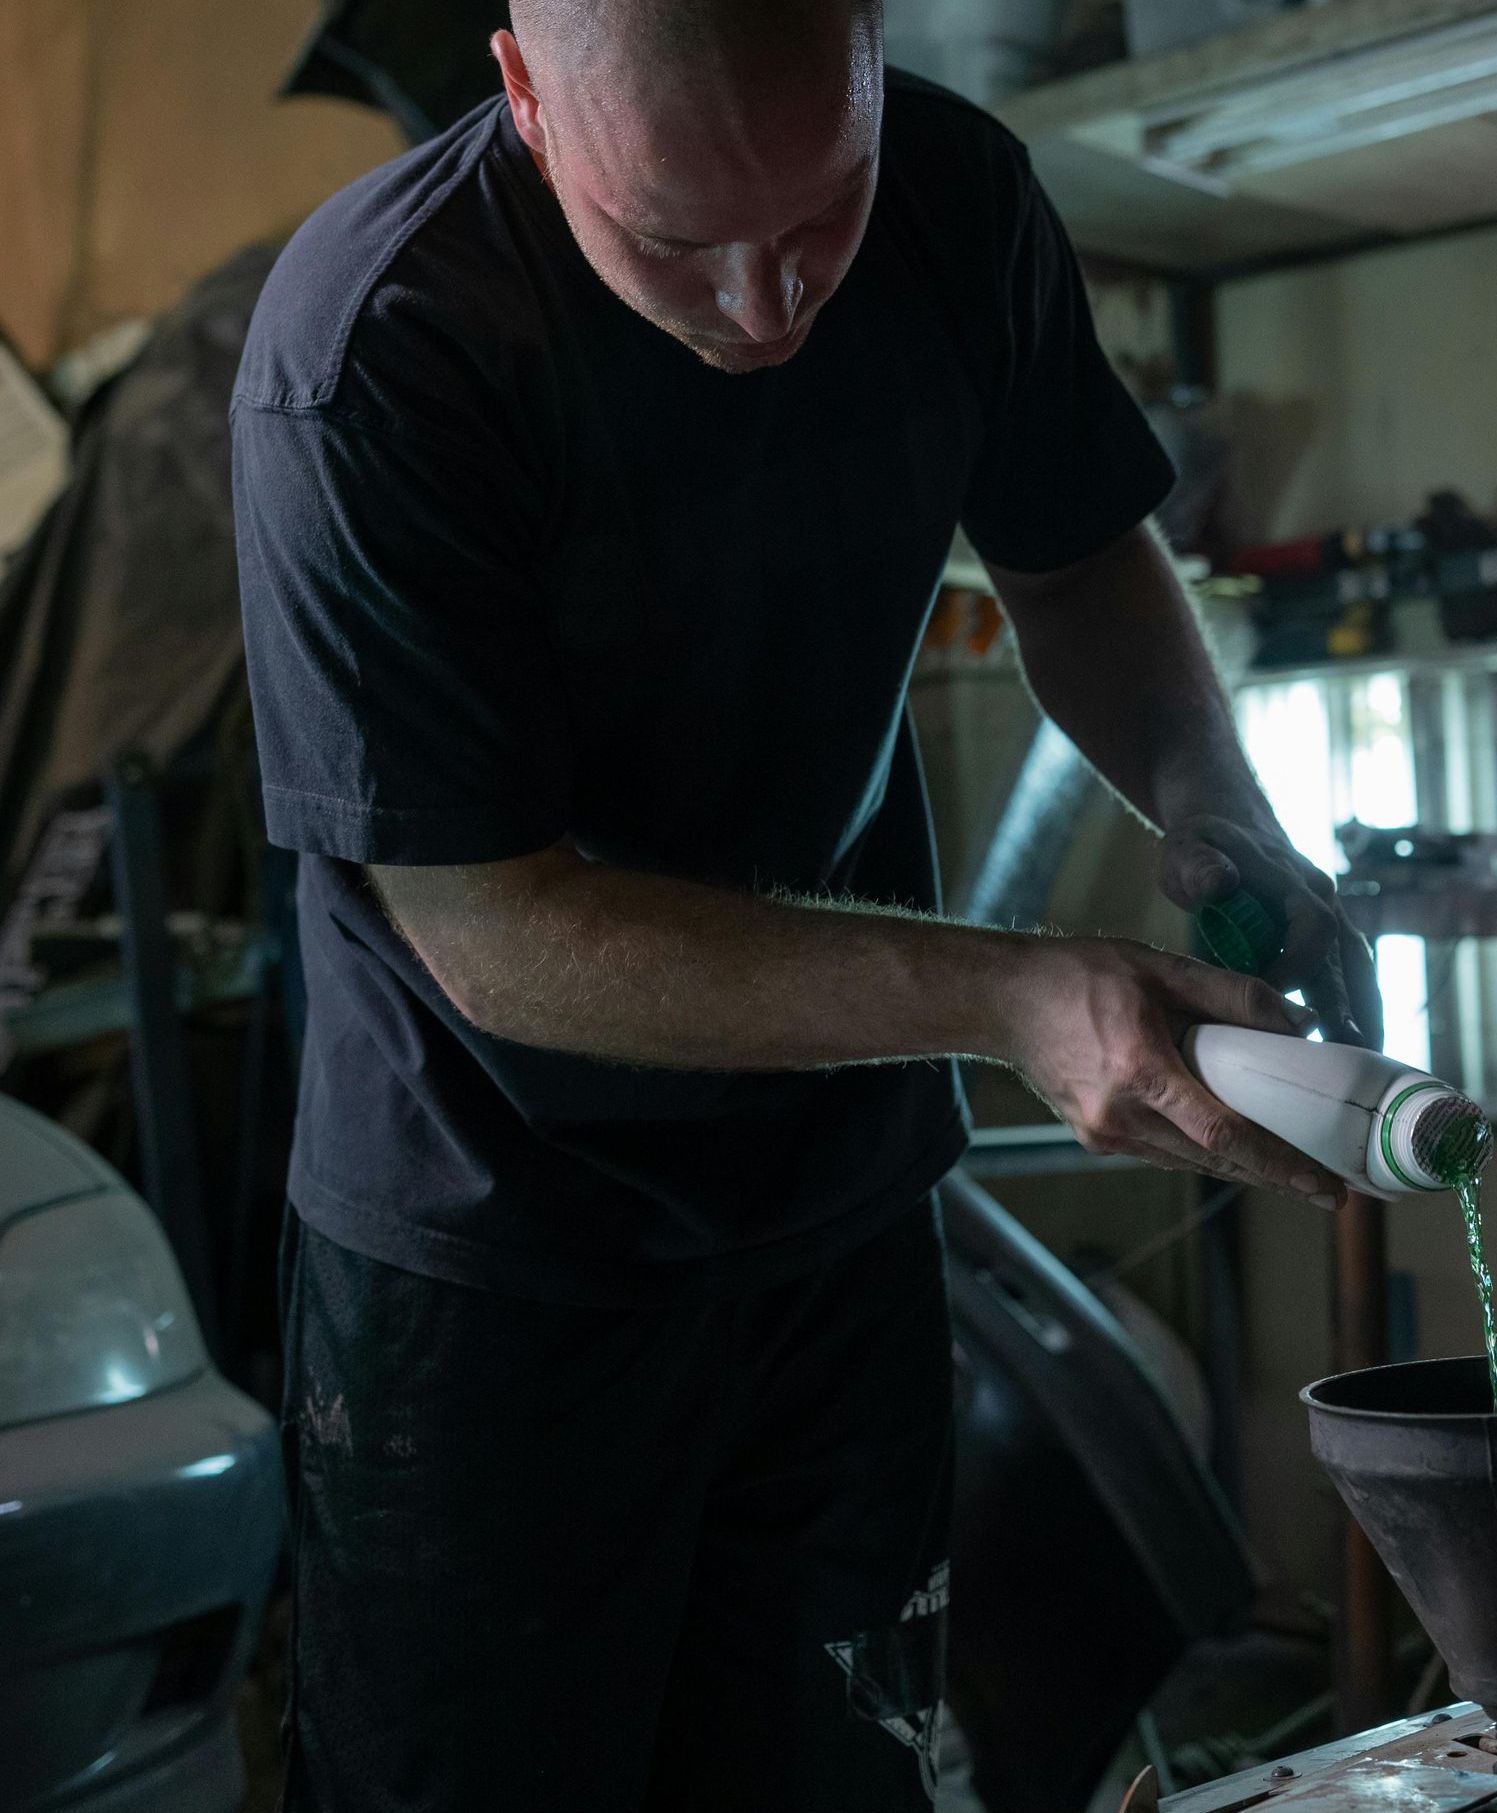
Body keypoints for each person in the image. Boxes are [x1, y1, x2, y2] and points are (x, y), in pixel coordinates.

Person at [232, 1, 1382, 1806]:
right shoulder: (381, 346)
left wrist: (1216, 798)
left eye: (816, 222)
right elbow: (498, 927)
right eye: (676, 244)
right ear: (524, 92)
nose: (767, 309)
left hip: (833, 1209)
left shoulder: (955, 197)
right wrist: (1013, 997)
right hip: (494, 1261)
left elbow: (1076, 553)